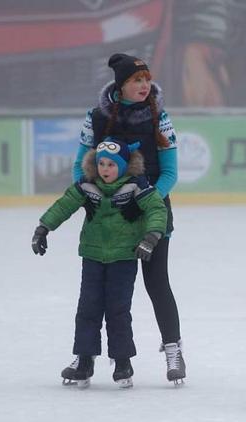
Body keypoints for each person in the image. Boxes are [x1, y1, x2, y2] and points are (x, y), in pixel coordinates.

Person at [72, 53, 185, 384]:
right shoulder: (95, 119)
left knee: (156, 283)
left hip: (150, 214)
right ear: (121, 85)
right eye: (137, 80)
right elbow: (80, 165)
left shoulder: (159, 119)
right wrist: (92, 196)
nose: (145, 85)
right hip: (108, 218)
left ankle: (174, 350)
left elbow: (170, 174)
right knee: (99, 291)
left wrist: (143, 201)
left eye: (147, 79)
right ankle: (87, 357)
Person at [32, 138, 168, 388]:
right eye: (101, 164)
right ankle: (85, 359)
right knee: (88, 308)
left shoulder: (136, 186)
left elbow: (157, 209)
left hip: (124, 258)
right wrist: (44, 227)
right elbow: (64, 205)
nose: (105, 169)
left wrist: (151, 236)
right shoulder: (87, 185)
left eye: (111, 165)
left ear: (124, 166)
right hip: (93, 256)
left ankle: (122, 360)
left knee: (118, 310)